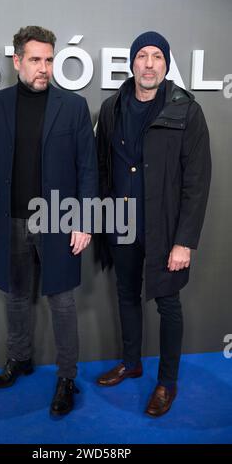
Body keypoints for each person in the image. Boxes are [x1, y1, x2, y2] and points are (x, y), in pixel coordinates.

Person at [0, 26, 97, 416]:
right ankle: (19, 359)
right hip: (10, 221)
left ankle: (67, 378)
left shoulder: (73, 107)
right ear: (17, 60)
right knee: (16, 295)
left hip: (58, 220)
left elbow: (87, 169)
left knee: (61, 301)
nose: (44, 68)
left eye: (49, 60)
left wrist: (85, 220)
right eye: (36, 60)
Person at [96, 31, 211, 417]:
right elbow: (101, 169)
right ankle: (132, 362)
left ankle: (167, 382)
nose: (148, 63)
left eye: (156, 56)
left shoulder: (186, 110)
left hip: (165, 229)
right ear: (131, 63)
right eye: (141, 56)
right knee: (126, 296)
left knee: (168, 304)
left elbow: (197, 182)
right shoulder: (111, 108)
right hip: (121, 224)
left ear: (166, 63)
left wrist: (185, 242)